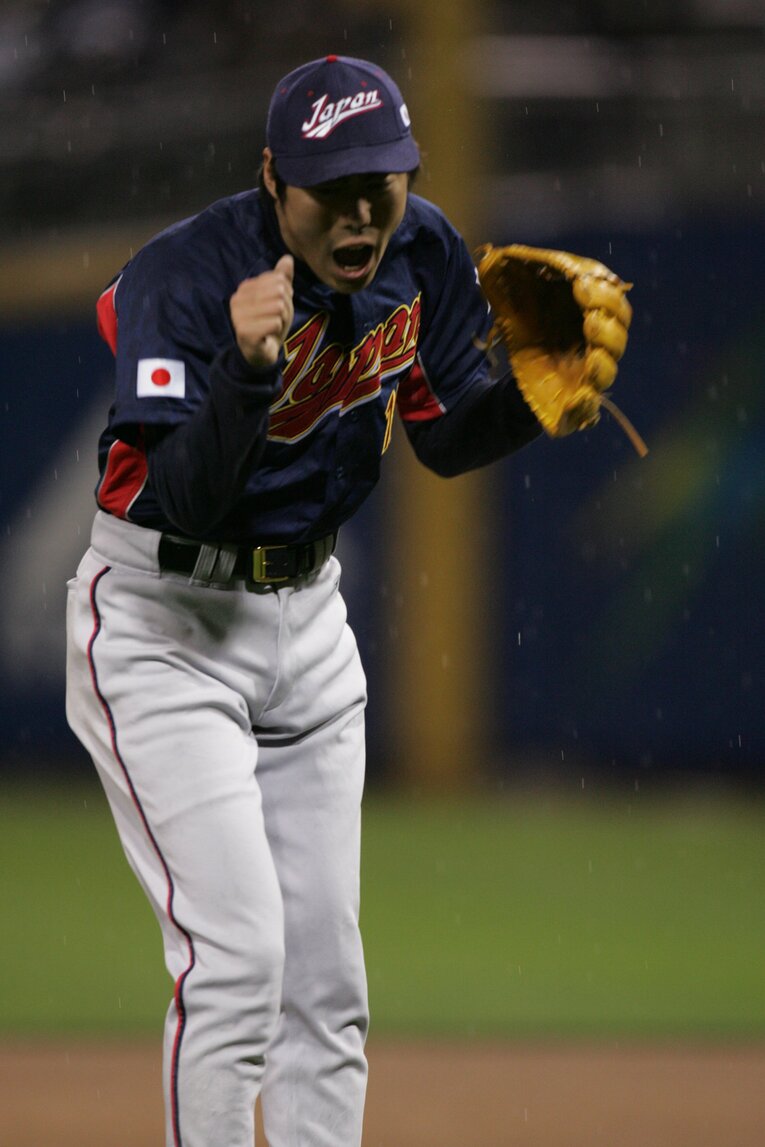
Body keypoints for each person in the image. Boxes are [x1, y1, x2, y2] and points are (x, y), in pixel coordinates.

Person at [65, 55, 543, 1147]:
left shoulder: (420, 252)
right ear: (273, 178)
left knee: (326, 987)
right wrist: (245, 368)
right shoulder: (183, 280)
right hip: (163, 623)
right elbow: (178, 497)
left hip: (310, 619)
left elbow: (446, 431)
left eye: (385, 181)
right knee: (238, 967)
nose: (364, 211)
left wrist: (535, 396)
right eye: (334, 188)